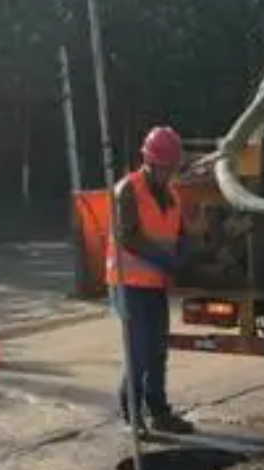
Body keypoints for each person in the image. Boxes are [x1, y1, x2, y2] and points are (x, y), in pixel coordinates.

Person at [107, 126, 194, 435]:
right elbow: (128, 237)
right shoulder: (127, 190)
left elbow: (180, 231)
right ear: (150, 161)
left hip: (156, 284)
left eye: (172, 168)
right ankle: (133, 415)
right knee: (139, 351)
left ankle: (160, 412)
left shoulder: (170, 194)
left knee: (157, 351)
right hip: (129, 285)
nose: (168, 173)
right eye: (164, 167)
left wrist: (186, 247)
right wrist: (166, 259)